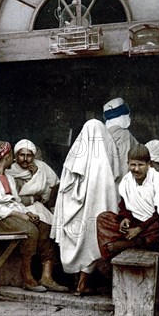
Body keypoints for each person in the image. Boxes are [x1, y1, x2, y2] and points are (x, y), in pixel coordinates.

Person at [0, 141, 68, 293]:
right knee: (31, 231)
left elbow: (16, 201)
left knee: (44, 226)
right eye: (11, 157)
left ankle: (46, 276)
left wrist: (27, 213)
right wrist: (20, 215)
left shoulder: (7, 176)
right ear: (6, 157)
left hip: (11, 215)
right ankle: (26, 277)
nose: (13, 160)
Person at [51, 119, 120, 296]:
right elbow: (108, 193)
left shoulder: (72, 158)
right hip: (92, 213)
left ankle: (77, 282)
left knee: (77, 242)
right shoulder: (102, 162)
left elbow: (63, 189)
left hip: (71, 213)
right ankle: (82, 284)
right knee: (90, 244)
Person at [96, 144, 159, 262]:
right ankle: (124, 248)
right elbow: (124, 205)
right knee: (103, 218)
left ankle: (133, 243)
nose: (136, 169)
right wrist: (126, 218)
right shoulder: (127, 181)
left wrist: (139, 229)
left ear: (149, 164)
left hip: (153, 224)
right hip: (136, 223)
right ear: (128, 164)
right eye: (133, 164)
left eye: (141, 165)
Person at [6, 139, 58, 215]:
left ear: (33, 156)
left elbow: (55, 184)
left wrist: (37, 174)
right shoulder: (10, 169)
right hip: (20, 207)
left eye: (29, 155)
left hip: (41, 206)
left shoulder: (41, 166)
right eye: (22, 155)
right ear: (16, 156)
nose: (25, 159)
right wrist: (36, 197)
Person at [103, 97, 138, 188]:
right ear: (123, 116)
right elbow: (124, 165)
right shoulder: (124, 134)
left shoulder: (102, 132)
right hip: (118, 186)